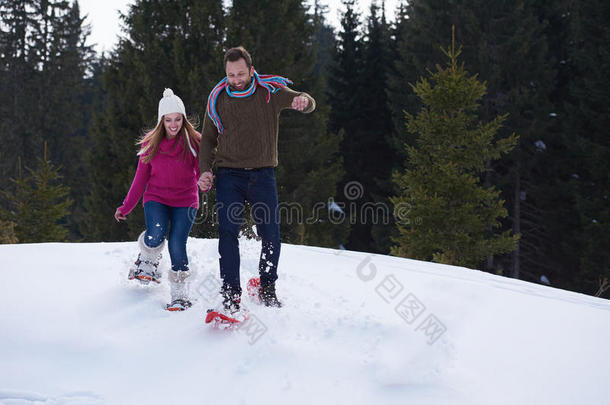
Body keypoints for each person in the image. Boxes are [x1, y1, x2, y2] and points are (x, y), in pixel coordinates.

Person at [198, 46, 316, 314]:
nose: (236, 80)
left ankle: (267, 287)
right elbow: (207, 139)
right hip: (229, 175)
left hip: (263, 175)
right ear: (225, 74)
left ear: (251, 71)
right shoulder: (217, 99)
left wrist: (303, 102)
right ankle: (230, 295)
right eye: (231, 75)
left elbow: (304, 100)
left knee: (271, 234)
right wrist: (205, 170)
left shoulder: (269, 92)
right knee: (228, 233)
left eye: (241, 73)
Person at [115, 88, 203, 312]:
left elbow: (202, 172)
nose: (173, 124)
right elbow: (139, 180)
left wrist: (206, 181)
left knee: (176, 243)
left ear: (183, 119)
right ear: (161, 121)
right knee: (156, 232)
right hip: (157, 198)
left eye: (177, 119)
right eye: (168, 120)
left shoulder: (194, 143)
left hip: (186, 200)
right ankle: (147, 260)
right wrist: (126, 206)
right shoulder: (150, 144)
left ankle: (180, 294)